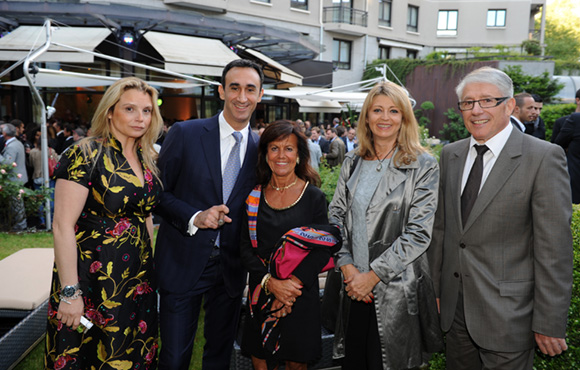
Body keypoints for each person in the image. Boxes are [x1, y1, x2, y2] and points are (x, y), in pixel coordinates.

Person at [429, 66, 573, 370]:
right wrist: (438, 292)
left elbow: (554, 248)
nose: (476, 110)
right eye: (468, 102)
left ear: (509, 105)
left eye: (487, 101)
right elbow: (442, 231)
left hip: (509, 317)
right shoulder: (451, 155)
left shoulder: (543, 157)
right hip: (455, 314)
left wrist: (549, 321)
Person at [45, 77, 163, 369]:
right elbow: (62, 226)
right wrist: (70, 292)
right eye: (130, 109)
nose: (140, 118)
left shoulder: (145, 158)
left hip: (137, 280)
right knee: (89, 355)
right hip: (93, 277)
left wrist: (150, 274)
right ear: (110, 111)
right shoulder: (83, 154)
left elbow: (145, 216)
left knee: (132, 353)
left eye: (147, 111)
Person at [154, 59, 263, 370]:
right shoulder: (185, 133)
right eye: (235, 88)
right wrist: (194, 217)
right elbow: (157, 195)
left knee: (219, 357)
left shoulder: (261, 148)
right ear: (221, 91)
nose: (242, 97)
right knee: (174, 358)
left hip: (231, 269)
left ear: (260, 94)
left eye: (250, 89)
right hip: (182, 261)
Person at [328, 81, 441, 370]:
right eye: (377, 110)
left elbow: (418, 234)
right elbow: (335, 217)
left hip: (394, 289)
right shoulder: (352, 161)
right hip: (352, 287)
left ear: (404, 117)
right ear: (366, 116)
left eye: (393, 111)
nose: (384, 118)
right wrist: (348, 267)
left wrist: (372, 276)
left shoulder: (423, 165)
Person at [240, 120, 334, 370]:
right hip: (261, 291)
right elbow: (245, 248)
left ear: (299, 155)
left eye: (289, 148)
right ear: (265, 154)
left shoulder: (313, 196)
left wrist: (290, 289)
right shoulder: (253, 196)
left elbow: (322, 249)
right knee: (260, 362)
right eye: (274, 148)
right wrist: (271, 284)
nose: (281, 155)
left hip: (300, 296)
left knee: (296, 365)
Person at [0, 123, 29, 231]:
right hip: (18, 178)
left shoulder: (12, 145)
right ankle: (19, 225)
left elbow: (7, 164)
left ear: (4, 133)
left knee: (16, 204)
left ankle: (20, 226)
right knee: (17, 203)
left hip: (15, 179)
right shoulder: (17, 143)